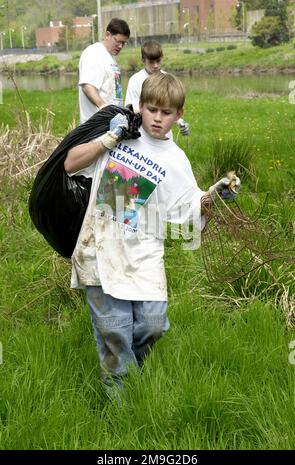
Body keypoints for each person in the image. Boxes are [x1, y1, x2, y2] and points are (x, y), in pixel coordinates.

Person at [64, 72, 238, 398]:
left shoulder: (176, 160)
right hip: (100, 246)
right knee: (115, 333)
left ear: (179, 114)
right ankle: (124, 409)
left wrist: (213, 197)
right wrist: (109, 139)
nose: (157, 118)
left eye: (166, 112)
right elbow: (70, 164)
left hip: (145, 250)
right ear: (141, 106)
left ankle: (132, 369)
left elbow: (188, 207)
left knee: (153, 325)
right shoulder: (120, 132)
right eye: (152, 109)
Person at [125, 40, 190, 137]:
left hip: (164, 135)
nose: (155, 66)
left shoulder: (168, 79)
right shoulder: (136, 80)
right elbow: (130, 109)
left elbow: (170, 107)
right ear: (143, 60)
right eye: (151, 62)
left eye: (158, 61)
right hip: (143, 135)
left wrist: (179, 120)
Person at [78, 18, 130, 123]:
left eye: (123, 43)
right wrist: (104, 107)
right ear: (107, 35)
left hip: (111, 123)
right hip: (95, 126)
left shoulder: (110, 57)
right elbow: (87, 86)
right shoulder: (94, 53)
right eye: (118, 41)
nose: (120, 46)